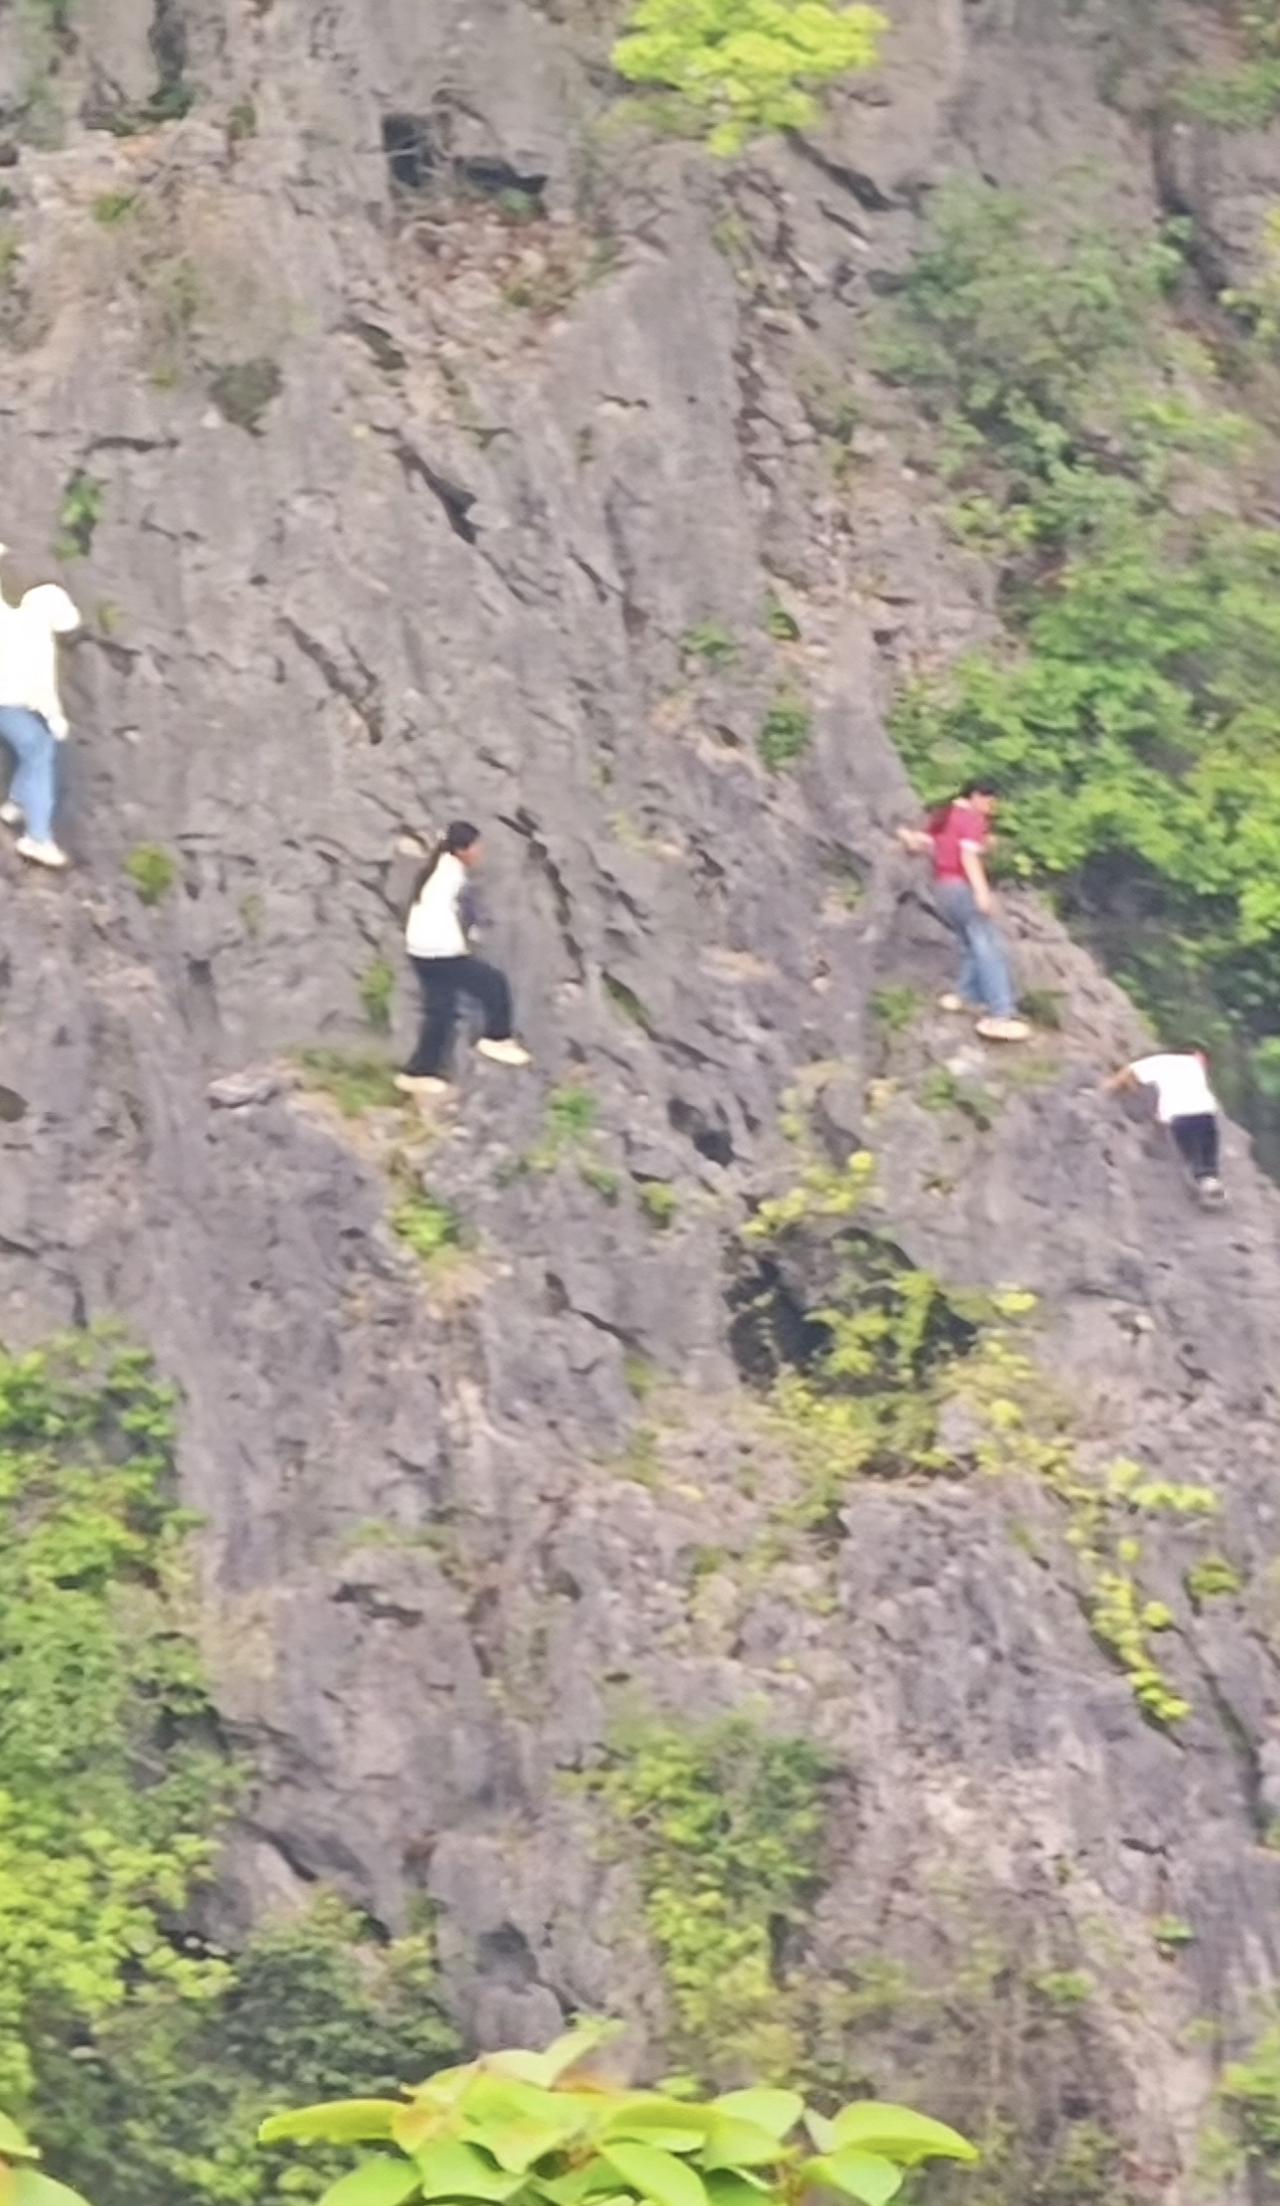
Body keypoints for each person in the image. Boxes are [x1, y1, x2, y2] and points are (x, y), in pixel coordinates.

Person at [396, 819, 531, 1095]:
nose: (480, 852)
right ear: (462, 850)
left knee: (440, 1011)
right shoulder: (452, 873)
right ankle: (497, 1037)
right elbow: (465, 907)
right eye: (476, 846)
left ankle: (419, 1071)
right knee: (493, 983)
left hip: (420, 950)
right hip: (441, 951)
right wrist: (475, 929)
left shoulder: (436, 868)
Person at [897, 779, 1030, 1042]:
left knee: (971, 942)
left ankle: (964, 995)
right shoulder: (972, 819)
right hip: (961, 887)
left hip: (943, 890)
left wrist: (907, 837)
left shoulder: (948, 816)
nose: (993, 807)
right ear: (977, 796)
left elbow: (923, 843)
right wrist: (982, 892)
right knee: (988, 945)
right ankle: (999, 1014)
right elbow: (968, 856)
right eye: (990, 801)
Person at [0, 563, 81, 870]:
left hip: (6, 701)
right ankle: (37, 836)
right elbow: (41, 687)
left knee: (35, 745)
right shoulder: (37, 635)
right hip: (8, 703)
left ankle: (17, 804)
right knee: (40, 747)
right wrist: (56, 718)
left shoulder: (11, 618)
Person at [1105, 1046, 1224, 1203]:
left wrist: (1112, 1089)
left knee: (1191, 1151)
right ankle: (1209, 1179)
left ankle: (1203, 1181)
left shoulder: (1161, 1063)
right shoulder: (1178, 1062)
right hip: (1205, 1112)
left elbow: (1127, 1072)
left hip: (1180, 1115)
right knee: (1207, 1149)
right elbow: (1131, 1070)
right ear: (1197, 1055)